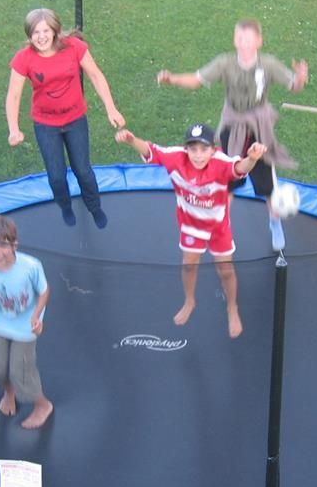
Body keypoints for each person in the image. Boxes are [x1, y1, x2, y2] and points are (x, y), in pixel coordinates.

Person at [156, 18, 308, 250]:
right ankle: (220, 225)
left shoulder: (268, 64)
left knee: (267, 183)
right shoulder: (225, 63)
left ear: (259, 41)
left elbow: (294, 86)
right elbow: (197, 80)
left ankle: (274, 222)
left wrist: (300, 78)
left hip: (258, 127)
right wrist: (173, 78)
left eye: (249, 40)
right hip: (231, 126)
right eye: (240, 39)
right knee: (225, 179)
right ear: (234, 40)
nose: (244, 44)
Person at [114, 123, 267, 339]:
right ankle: (189, 301)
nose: (198, 155)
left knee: (226, 270)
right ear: (186, 149)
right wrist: (131, 140)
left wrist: (252, 158)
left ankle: (232, 308)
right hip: (190, 225)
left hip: (217, 226)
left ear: (213, 150)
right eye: (193, 149)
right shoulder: (175, 158)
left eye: (203, 149)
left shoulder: (221, 163)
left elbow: (240, 169)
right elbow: (151, 150)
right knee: (188, 265)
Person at [6, 8, 125, 229]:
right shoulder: (24, 59)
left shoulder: (73, 47)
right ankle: (65, 206)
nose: (41, 37)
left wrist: (111, 109)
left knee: (83, 171)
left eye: (45, 31)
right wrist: (14, 128)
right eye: (35, 33)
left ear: (55, 31)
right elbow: (13, 96)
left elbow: (96, 76)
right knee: (56, 177)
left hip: (75, 119)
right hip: (45, 124)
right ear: (29, 36)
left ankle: (94, 207)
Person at [0, 215, 53, 429]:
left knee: (21, 371)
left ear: (14, 244)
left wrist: (37, 316)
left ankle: (42, 405)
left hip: (27, 325)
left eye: (2, 245)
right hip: (2, 322)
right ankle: (9, 391)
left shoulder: (31, 267)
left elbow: (44, 292)